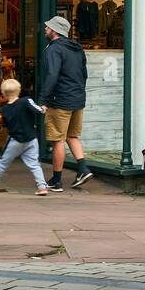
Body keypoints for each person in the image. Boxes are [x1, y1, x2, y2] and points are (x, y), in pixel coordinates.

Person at [38, 14, 92, 192]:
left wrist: (44, 99)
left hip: (59, 100)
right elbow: (84, 74)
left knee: (58, 140)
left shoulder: (54, 49)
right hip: (77, 98)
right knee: (72, 136)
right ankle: (83, 169)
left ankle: (56, 180)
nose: (45, 29)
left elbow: (52, 75)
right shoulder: (77, 48)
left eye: (48, 27)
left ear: (54, 31)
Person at [0, 79, 48, 194]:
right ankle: (42, 187)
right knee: (35, 164)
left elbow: (6, 124)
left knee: (2, 162)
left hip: (15, 140)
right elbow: (38, 110)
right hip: (31, 138)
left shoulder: (4, 109)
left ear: (3, 93)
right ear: (19, 90)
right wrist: (43, 108)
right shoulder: (26, 101)